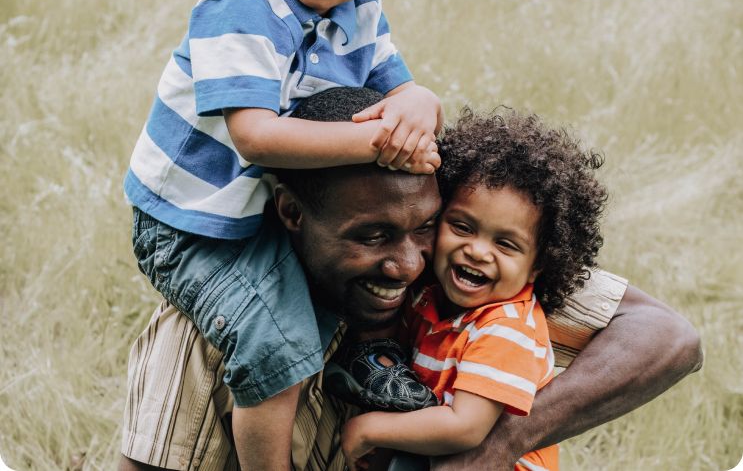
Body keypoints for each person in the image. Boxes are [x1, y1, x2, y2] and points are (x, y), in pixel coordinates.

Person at [118, 88, 703, 471]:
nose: (405, 265)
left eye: (423, 227)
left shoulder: (468, 274)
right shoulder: (223, 327)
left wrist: (495, 444)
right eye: (370, 237)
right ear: (291, 215)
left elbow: (667, 337)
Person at [123, 0, 447, 468]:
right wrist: (377, 140)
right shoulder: (240, 8)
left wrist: (420, 100)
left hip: (260, 213)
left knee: (343, 296)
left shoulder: (360, 17)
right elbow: (258, 136)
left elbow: (399, 93)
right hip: (194, 225)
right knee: (276, 345)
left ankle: (361, 367)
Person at [340, 108, 608, 470]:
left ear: (539, 264)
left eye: (506, 244)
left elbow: (464, 427)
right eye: (462, 227)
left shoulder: (506, 328)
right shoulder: (431, 294)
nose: (478, 251)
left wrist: (370, 430)